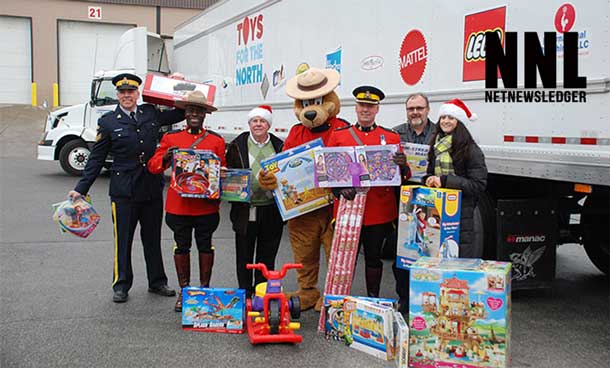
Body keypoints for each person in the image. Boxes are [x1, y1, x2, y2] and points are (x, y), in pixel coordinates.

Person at [68, 73, 184, 303]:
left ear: (137, 93)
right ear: (118, 95)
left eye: (130, 92)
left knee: (152, 238)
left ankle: (157, 281)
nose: (126, 96)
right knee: (123, 239)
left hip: (151, 187)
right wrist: (81, 188)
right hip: (124, 191)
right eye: (122, 92)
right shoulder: (108, 122)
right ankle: (121, 284)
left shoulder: (150, 113)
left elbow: (180, 112)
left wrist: (175, 85)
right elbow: (97, 158)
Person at [327, 85, 411, 313]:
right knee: (345, 259)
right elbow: (327, 171)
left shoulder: (391, 137)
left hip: (378, 210)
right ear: (355, 108)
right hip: (348, 208)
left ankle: (372, 301)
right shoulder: (339, 136)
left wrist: (403, 166)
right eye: (362, 105)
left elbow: (403, 176)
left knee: (374, 258)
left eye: (370, 106)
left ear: (377, 109)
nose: (365, 110)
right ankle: (338, 304)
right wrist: (339, 189)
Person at [148, 90, 225, 312]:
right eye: (190, 110)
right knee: (181, 247)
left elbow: (224, 172)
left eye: (198, 110)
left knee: (206, 246)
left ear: (204, 114)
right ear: (184, 113)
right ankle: (185, 291)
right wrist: (165, 156)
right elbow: (153, 167)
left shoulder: (216, 141)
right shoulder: (171, 139)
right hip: (179, 206)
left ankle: (204, 290)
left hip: (206, 207)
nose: (194, 114)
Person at [226, 105, 284, 298]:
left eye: (262, 121)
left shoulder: (279, 145)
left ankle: (261, 293)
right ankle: (244, 292)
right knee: (244, 253)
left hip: (271, 210)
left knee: (267, 254)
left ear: (268, 124)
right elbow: (229, 173)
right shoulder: (236, 145)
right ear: (249, 123)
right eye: (254, 121)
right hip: (245, 210)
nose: (258, 124)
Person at [422, 98, 487, 258]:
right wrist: (428, 179)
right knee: (436, 259)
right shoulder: (436, 146)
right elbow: (430, 173)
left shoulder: (470, 149)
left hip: (461, 215)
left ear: (460, 122)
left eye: (451, 117)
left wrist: (444, 181)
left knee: (458, 260)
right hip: (437, 211)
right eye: (443, 117)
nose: (445, 121)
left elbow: (478, 185)